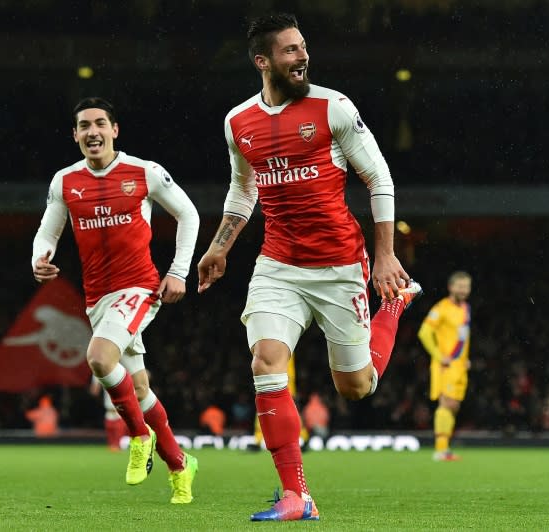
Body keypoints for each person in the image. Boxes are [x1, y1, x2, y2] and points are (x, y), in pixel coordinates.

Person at [196, 13, 422, 521]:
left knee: (356, 387)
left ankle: (395, 306)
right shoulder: (238, 122)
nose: (302, 58)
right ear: (263, 61)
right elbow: (242, 188)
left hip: (341, 264)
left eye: (303, 48)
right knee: (266, 361)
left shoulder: (333, 107)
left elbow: (379, 178)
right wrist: (220, 246)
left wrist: (385, 256)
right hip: (277, 265)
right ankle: (297, 495)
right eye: (290, 51)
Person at [32, 97, 200, 504]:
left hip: (139, 288)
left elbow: (189, 215)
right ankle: (180, 465)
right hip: (98, 300)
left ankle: (139, 437)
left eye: (100, 123)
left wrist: (178, 272)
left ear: (114, 130)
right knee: (140, 390)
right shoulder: (65, 182)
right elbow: (47, 232)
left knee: (99, 358)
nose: (93, 131)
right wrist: (39, 256)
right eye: (84, 126)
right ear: (75, 135)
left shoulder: (145, 172)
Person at [417, 271, 472, 462]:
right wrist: (440, 357)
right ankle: (440, 450)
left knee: (454, 406)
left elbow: (461, 338)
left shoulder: (465, 308)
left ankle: (445, 449)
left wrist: (464, 358)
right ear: (451, 287)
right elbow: (424, 332)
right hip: (445, 366)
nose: (463, 290)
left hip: (459, 366)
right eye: (460, 286)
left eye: (466, 287)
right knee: (446, 403)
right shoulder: (441, 308)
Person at [90, 377, 129, 451]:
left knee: (120, 444)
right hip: (109, 411)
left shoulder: (124, 370)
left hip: (121, 411)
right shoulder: (101, 371)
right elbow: (94, 391)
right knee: (111, 445)